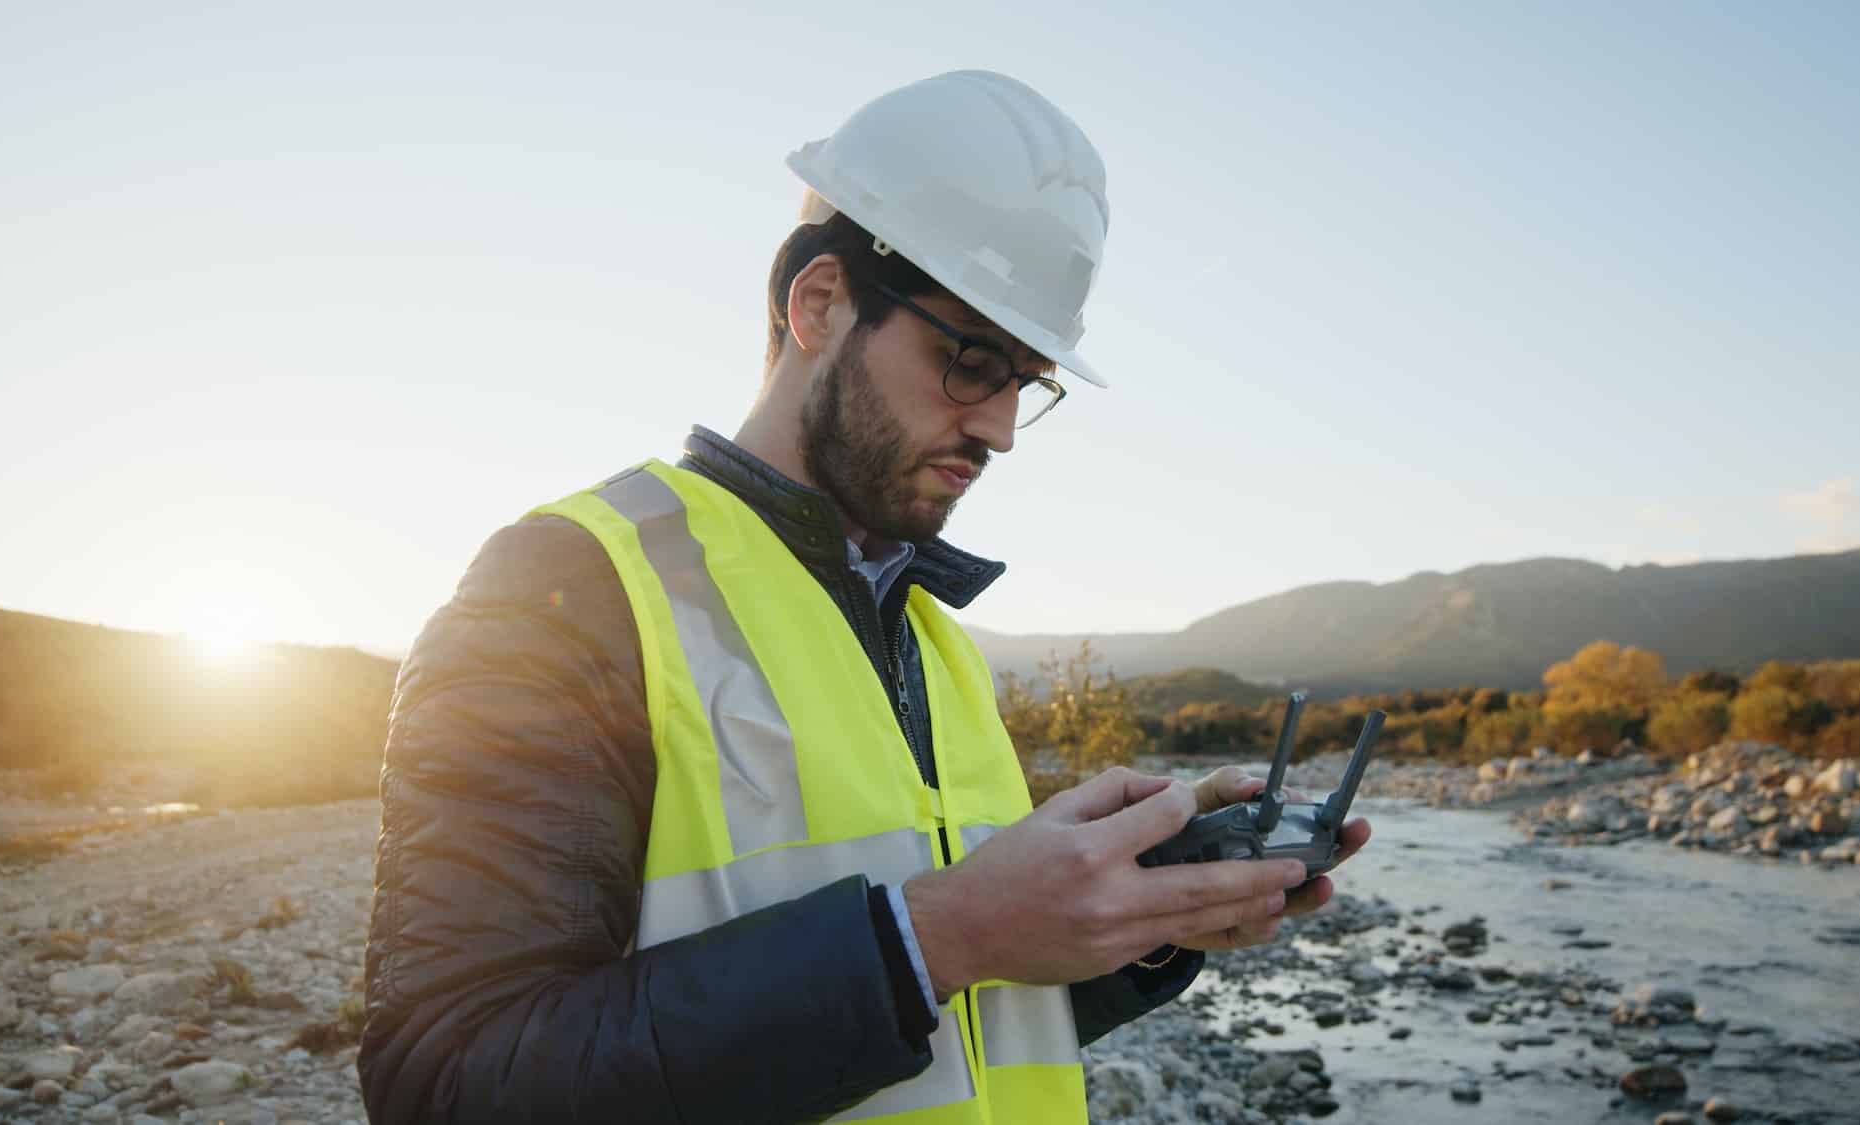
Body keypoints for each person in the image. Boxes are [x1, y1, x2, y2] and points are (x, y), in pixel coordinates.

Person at [356, 70, 1371, 1124]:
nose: (999, 429)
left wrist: (1141, 911)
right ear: (820, 303)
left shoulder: (933, 639)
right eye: (970, 359)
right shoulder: (571, 585)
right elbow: (450, 1076)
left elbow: (964, 1025)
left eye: (1026, 381)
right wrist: (941, 933)